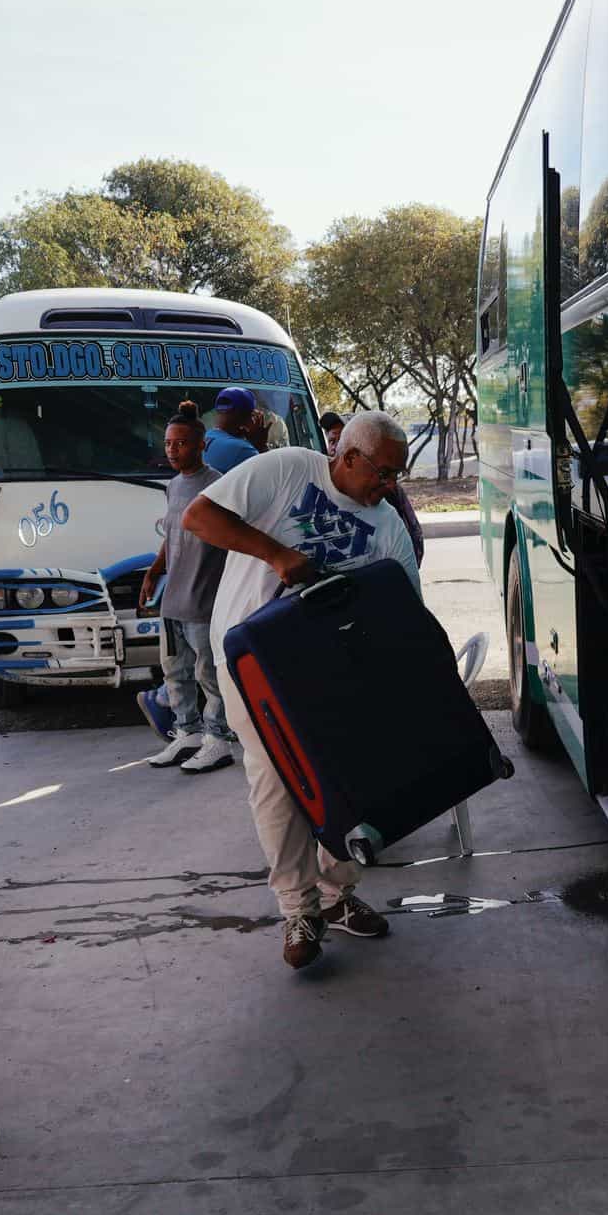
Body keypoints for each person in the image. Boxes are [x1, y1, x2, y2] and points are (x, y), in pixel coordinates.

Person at [182, 411, 421, 970]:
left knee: (351, 782)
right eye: (382, 474)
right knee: (277, 784)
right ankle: (300, 909)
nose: (389, 488)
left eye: (396, 477)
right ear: (349, 457)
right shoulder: (288, 470)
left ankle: (338, 897)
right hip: (253, 664)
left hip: (334, 671)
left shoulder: (386, 524)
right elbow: (199, 517)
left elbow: (404, 605)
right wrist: (277, 554)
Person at [138, 403, 235, 773]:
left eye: (181, 443)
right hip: (173, 596)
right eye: (168, 444)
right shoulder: (174, 485)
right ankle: (187, 734)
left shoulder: (219, 485)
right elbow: (173, 534)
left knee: (208, 675)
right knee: (174, 673)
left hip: (204, 597)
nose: (172, 450)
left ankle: (218, 740)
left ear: (201, 445)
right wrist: (154, 571)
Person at [322, 411, 425, 564]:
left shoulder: (386, 489)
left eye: (343, 439)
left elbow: (413, 540)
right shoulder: (317, 485)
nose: (336, 448)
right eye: (332, 441)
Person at [202, 387, 262, 474]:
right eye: (252, 415)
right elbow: (271, 478)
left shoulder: (203, 437)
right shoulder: (243, 450)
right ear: (244, 415)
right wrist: (260, 445)